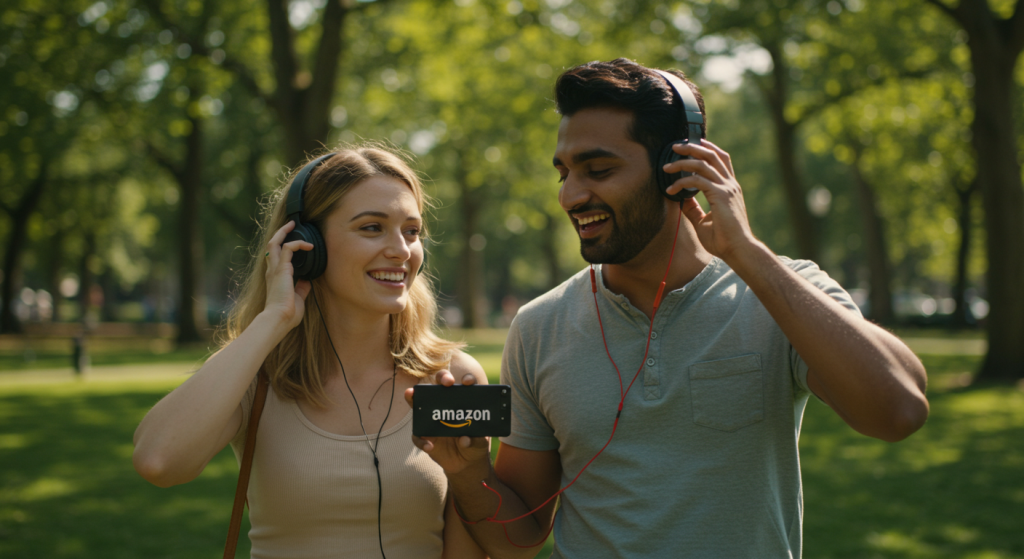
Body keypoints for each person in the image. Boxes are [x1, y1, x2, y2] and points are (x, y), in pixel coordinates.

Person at [409, 59, 929, 558]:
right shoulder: (539, 326)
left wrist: (746, 252)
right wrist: (469, 474)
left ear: (676, 169)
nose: (570, 195)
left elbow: (899, 411)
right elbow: (518, 541)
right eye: (564, 172)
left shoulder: (782, 295)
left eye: (598, 169)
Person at [132, 145, 488, 559]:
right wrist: (274, 319)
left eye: (411, 231)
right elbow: (158, 461)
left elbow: (467, 549)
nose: (401, 250)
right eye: (372, 228)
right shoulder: (258, 375)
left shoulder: (452, 378)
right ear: (306, 245)